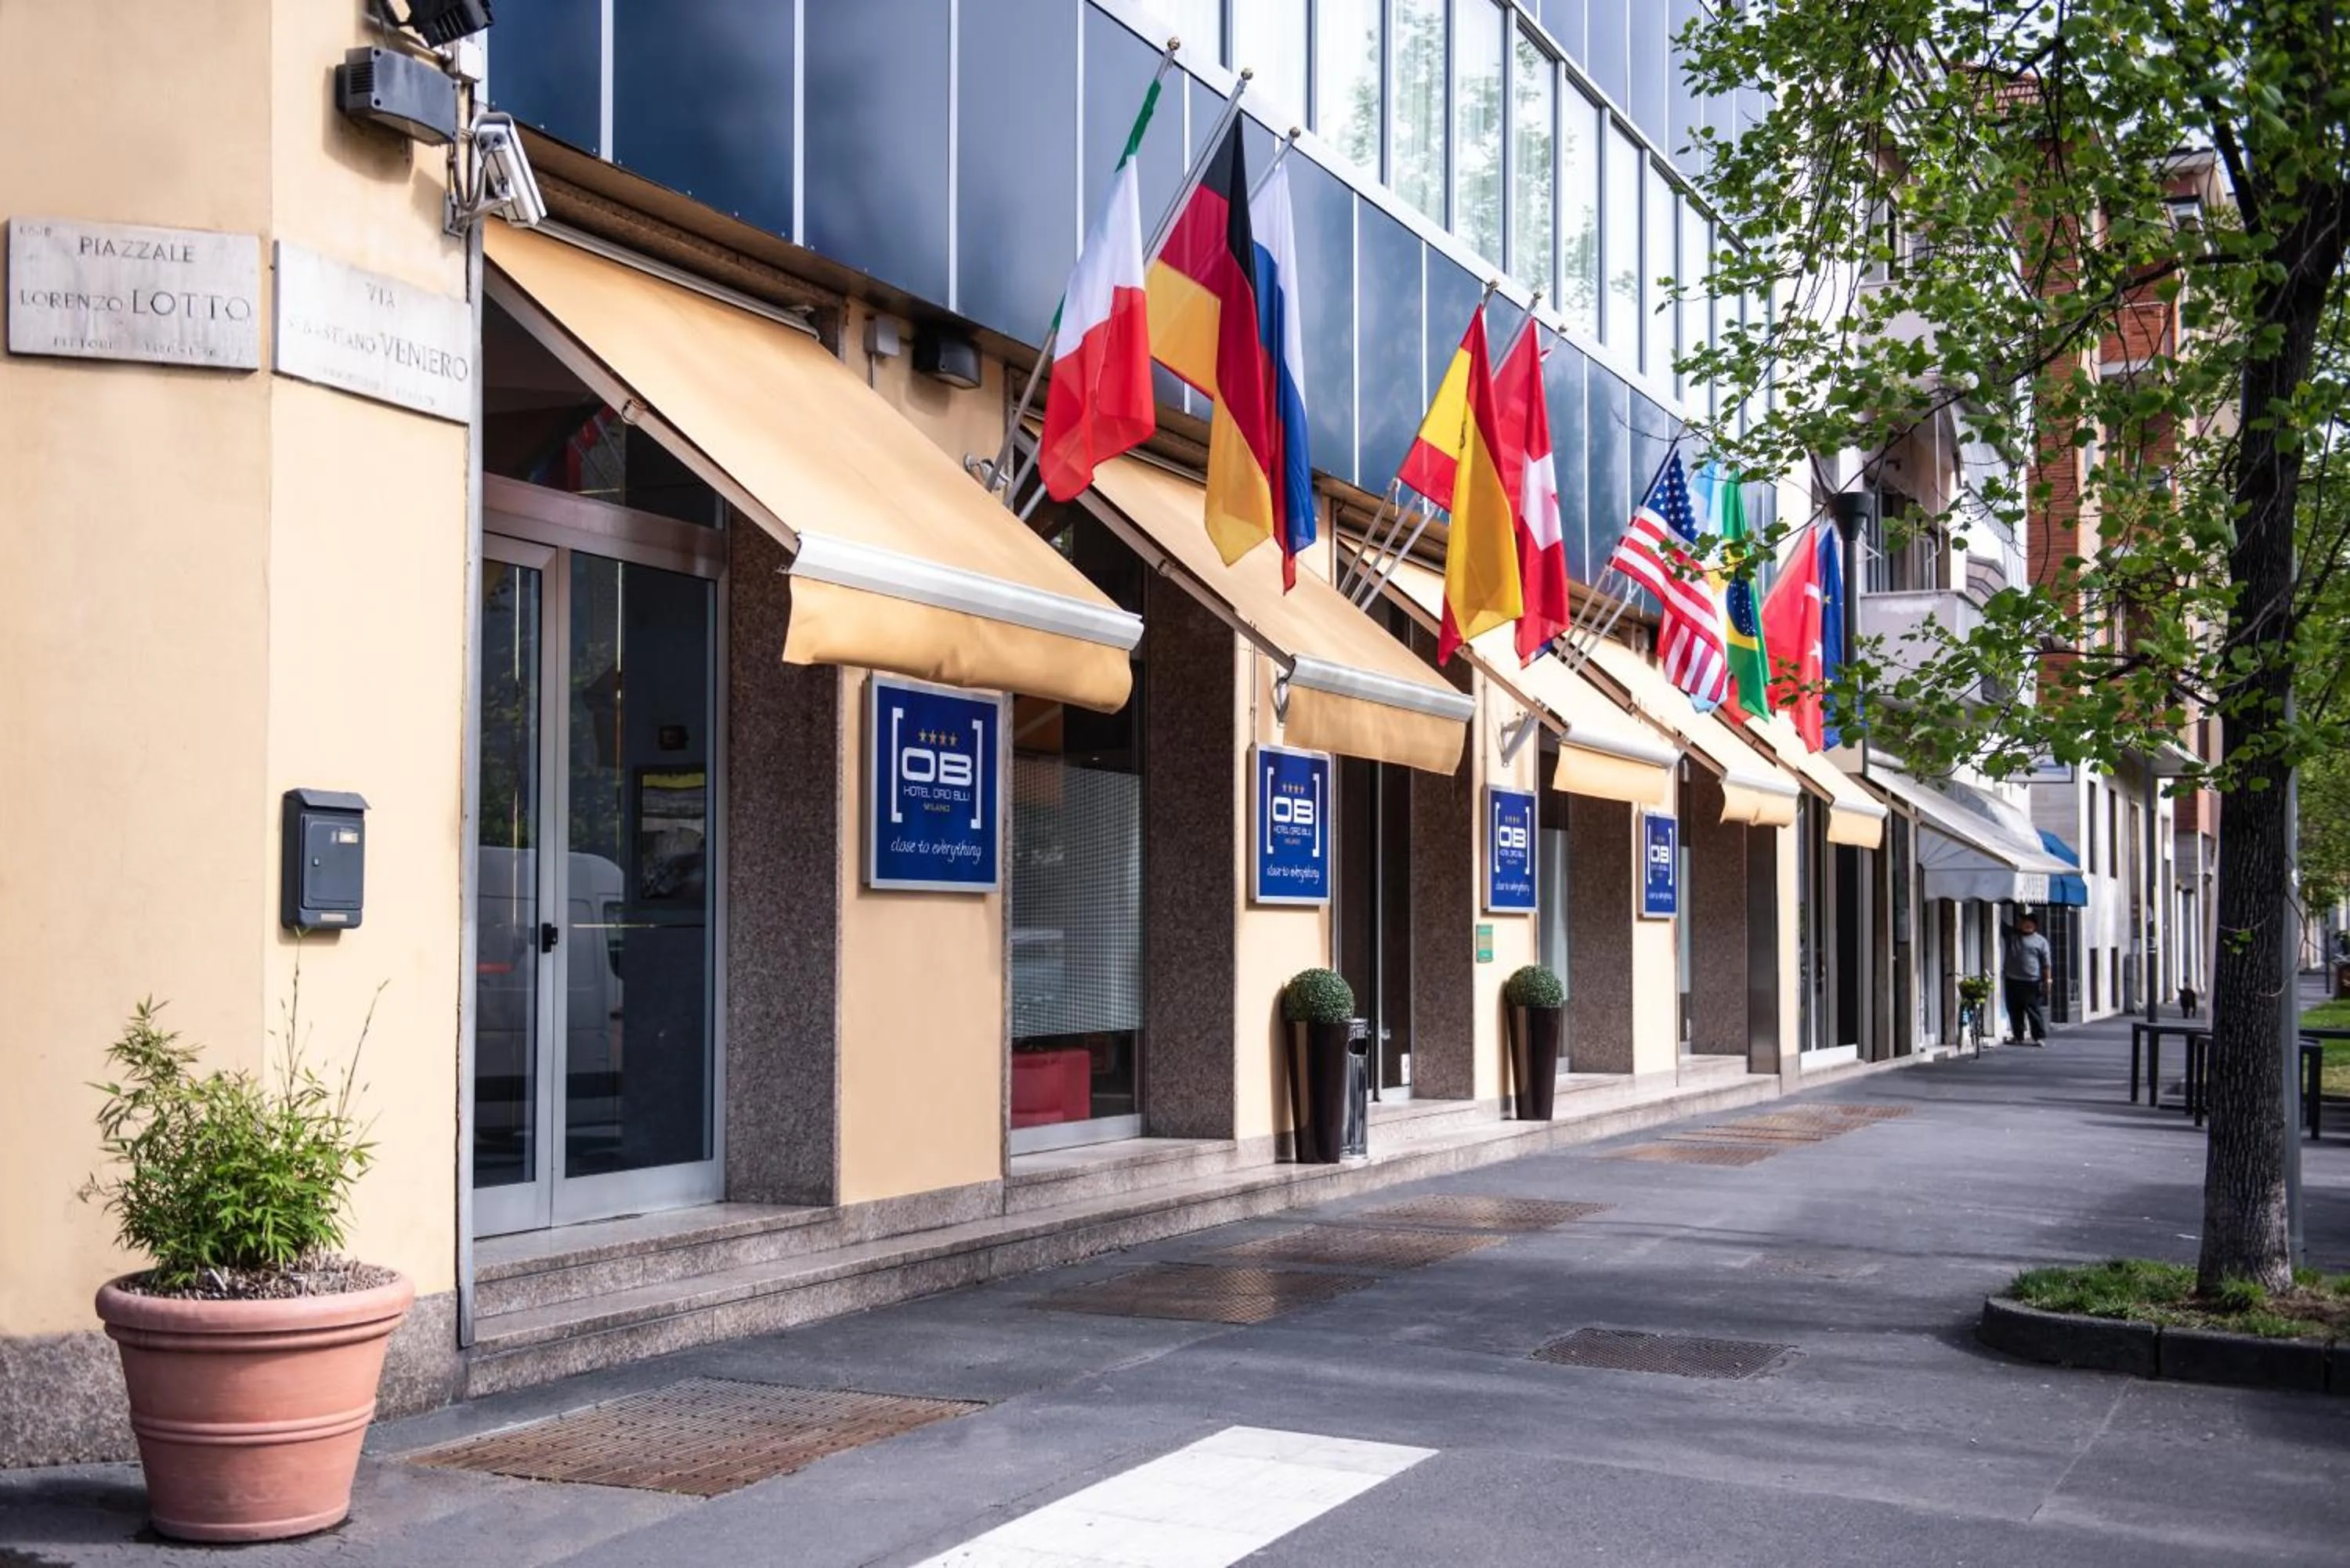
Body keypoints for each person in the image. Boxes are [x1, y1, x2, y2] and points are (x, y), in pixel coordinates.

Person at [2001, 911, 2053, 1046]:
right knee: (2014, 1009)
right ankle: (2018, 1036)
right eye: (2024, 922)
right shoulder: (2013, 936)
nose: (2026, 925)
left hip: (2031, 981)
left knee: (2033, 1009)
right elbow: (2001, 925)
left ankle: (2039, 1037)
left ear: (2035, 926)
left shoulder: (2041, 941)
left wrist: (2047, 981)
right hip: (2012, 979)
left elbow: (2046, 963)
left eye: (2029, 923)